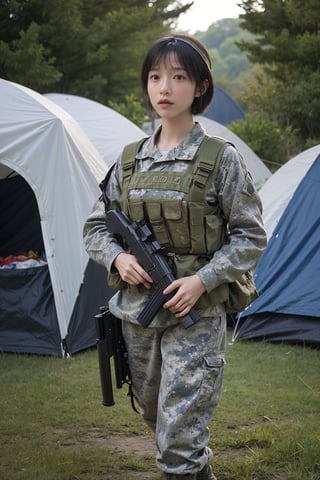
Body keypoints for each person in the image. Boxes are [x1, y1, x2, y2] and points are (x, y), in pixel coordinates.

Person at [83, 33, 267, 480]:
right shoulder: (129, 162)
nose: (164, 88)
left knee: (179, 441)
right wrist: (117, 259)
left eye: (178, 77)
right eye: (155, 76)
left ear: (200, 87)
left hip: (197, 315)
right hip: (137, 317)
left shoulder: (220, 159)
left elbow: (250, 236)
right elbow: (94, 227)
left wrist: (202, 280)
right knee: (157, 418)